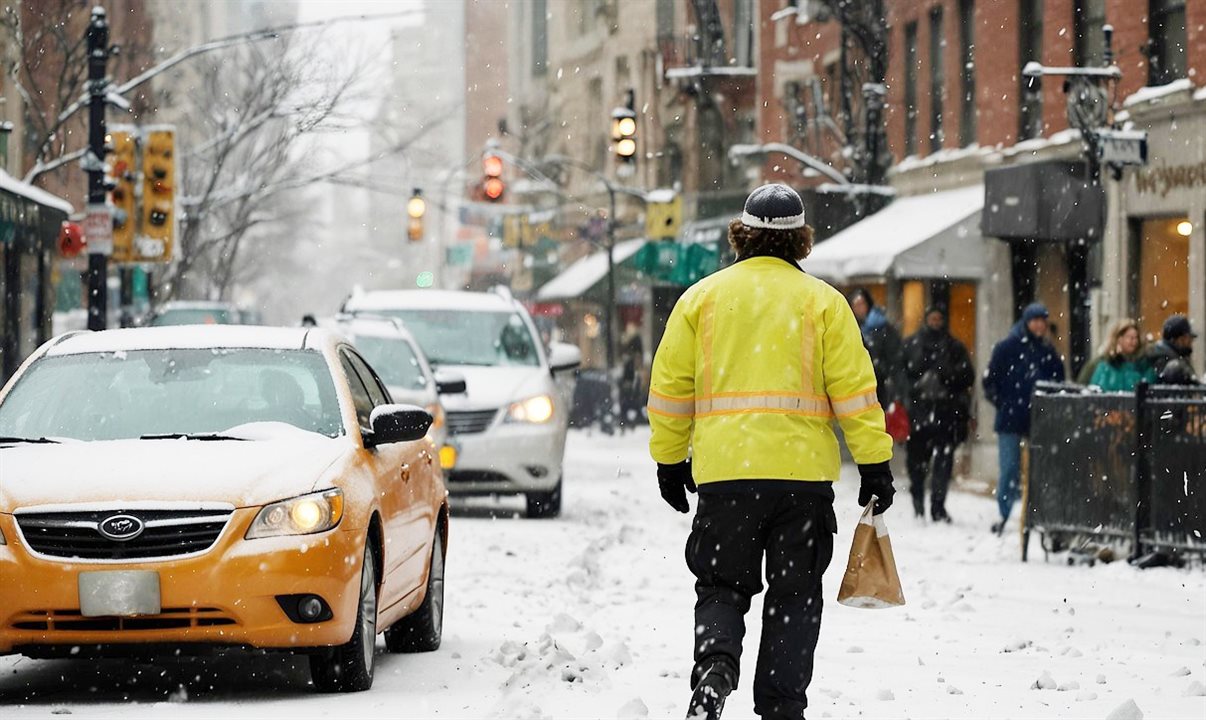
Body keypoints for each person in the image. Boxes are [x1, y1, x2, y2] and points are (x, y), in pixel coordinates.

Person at [647, 184, 895, 720]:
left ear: (740, 235)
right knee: (795, 596)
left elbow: (669, 389)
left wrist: (669, 459)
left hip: (725, 478)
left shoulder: (700, 300)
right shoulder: (824, 303)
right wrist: (875, 464)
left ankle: (716, 667)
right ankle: (782, 707)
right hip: (801, 484)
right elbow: (856, 393)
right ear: (801, 240)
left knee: (721, 585)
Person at [982, 302, 1066, 535]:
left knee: (1040, 469)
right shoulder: (1007, 347)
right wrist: (1003, 402)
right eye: (1035, 321)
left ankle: (1035, 514)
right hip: (1010, 419)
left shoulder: (1048, 352)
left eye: (1043, 321)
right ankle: (1004, 512)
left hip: (1039, 420)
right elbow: (990, 381)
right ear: (1026, 322)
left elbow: (1058, 381)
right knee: (1009, 468)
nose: (1039, 326)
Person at [901, 306, 975, 522]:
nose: (935, 322)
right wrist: (914, 389)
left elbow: (967, 376)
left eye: (938, 319)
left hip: (945, 413)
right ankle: (918, 502)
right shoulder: (912, 345)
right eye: (932, 318)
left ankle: (937, 507)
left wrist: (947, 374)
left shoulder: (954, 347)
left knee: (943, 462)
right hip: (919, 413)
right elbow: (900, 376)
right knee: (917, 464)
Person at [848, 288, 905, 410]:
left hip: (880, 385)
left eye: (861, 304)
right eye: (855, 305)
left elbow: (895, 358)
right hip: (856, 388)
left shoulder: (883, 328)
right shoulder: (848, 328)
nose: (859, 308)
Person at [1086, 318, 1156, 392]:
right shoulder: (1105, 365)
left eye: (1136, 337)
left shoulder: (1144, 365)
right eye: (1129, 337)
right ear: (1119, 339)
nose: (1134, 341)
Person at [1145, 314, 1200, 385]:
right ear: (1178, 340)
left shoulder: (1175, 357)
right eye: (1187, 338)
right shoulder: (1167, 362)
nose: (1190, 342)